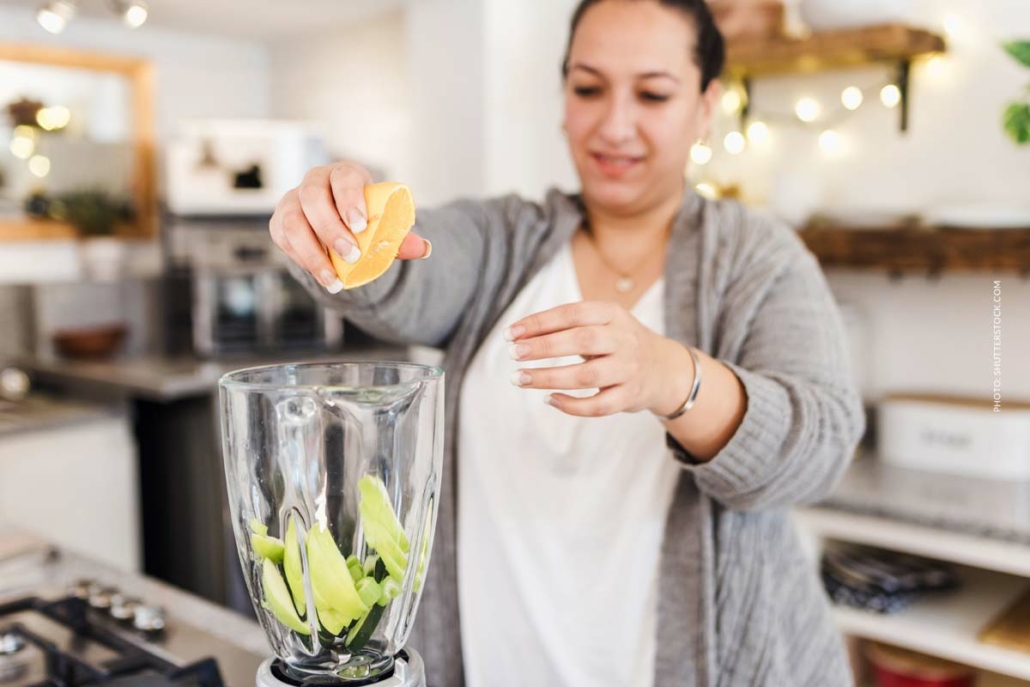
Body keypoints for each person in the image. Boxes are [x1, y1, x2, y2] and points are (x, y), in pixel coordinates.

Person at [269, 0, 865, 685]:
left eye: (652, 93)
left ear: (706, 107)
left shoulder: (759, 258)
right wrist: (332, 231)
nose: (614, 124)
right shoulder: (503, 241)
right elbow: (404, 276)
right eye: (588, 87)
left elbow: (819, 445)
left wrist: (672, 376)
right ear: (562, 100)